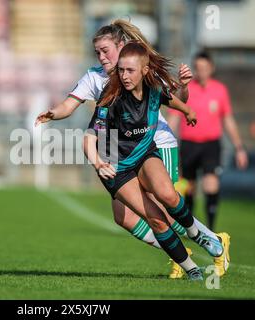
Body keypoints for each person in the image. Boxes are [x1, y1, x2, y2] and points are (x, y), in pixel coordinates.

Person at [36, 20, 230, 278]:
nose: (102, 57)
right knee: (124, 217)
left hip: (157, 142)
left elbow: (174, 99)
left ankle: (210, 243)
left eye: (106, 50)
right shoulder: (96, 77)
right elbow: (69, 107)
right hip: (122, 153)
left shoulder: (140, 68)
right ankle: (180, 251)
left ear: (121, 46)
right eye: (97, 52)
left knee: (165, 202)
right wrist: (53, 113)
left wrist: (184, 90)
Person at [84, 41, 224, 280]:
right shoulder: (111, 98)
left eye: (130, 70)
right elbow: (89, 136)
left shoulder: (153, 88)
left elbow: (169, 99)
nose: (124, 76)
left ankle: (196, 233)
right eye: (121, 70)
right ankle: (191, 269)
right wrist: (98, 163)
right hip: (117, 168)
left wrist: (187, 111)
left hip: (145, 154)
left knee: (168, 195)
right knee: (156, 219)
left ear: (145, 70)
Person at [167, 52, 248, 234]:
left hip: (211, 145)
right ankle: (190, 227)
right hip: (188, 144)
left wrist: (239, 148)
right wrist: (163, 141)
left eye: (204, 68)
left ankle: (210, 228)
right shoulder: (186, 90)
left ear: (211, 68)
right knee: (188, 187)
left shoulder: (220, 90)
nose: (201, 71)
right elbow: (174, 117)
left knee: (211, 184)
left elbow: (228, 120)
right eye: (198, 68)